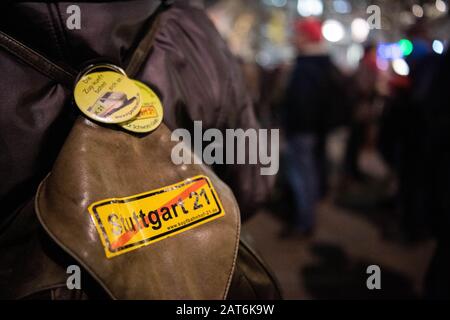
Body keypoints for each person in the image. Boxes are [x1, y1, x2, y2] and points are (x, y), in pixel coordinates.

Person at [281, 18, 350, 236]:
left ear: (307, 37)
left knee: (301, 175)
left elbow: (302, 101)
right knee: (309, 172)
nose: (293, 39)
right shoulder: (322, 63)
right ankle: (307, 216)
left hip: (302, 129)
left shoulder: (307, 66)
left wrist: (294, 123)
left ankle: (304, 222)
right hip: (314, 129)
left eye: (297, 34)